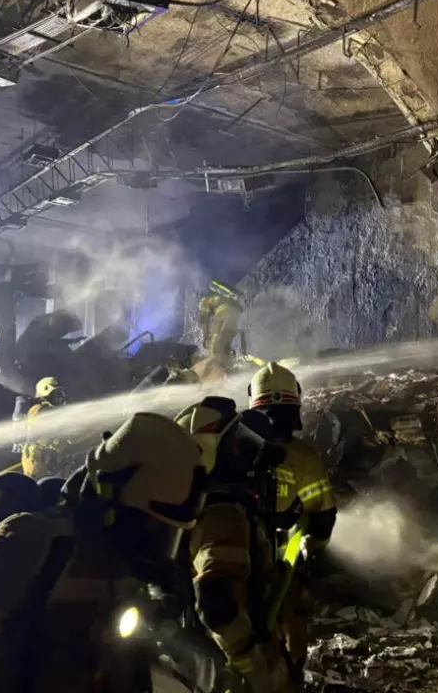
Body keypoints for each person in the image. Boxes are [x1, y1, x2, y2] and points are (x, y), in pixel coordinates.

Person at [0, 411, 208, 693]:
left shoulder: (126, 564)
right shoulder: (34, 542)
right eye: (152, 528)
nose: (156, 544)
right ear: (111, 500)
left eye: (170, 534)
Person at [175, 397, 294, 693]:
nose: (250, 454)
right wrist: (259, 669)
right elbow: (216, 602)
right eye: (239, 446)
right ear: (209, 454)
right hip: (236, 675)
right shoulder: (222, 514)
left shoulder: (205, 507)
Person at [248, 362, 336, 679]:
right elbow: (323, 513)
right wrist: (315, 548)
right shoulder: (303, 457)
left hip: (228, 557)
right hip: (281, 562)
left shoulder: (232, 449)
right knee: (291, 626)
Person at [21, 376, 68, 478]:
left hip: (46, 462)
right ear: (47, 393)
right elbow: (35, 436)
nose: (60, 397)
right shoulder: (37, 410)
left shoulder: (50, 411)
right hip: (37, 464)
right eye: (57, 393)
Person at [198, 281, 244, 378]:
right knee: (224, 353)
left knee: (214, 354)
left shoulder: (205, 301)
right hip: (232, 325)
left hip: (223, 321)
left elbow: (203, 320)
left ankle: (199, 382)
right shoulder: (223, 298)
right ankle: (232, 377)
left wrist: (205, 336)